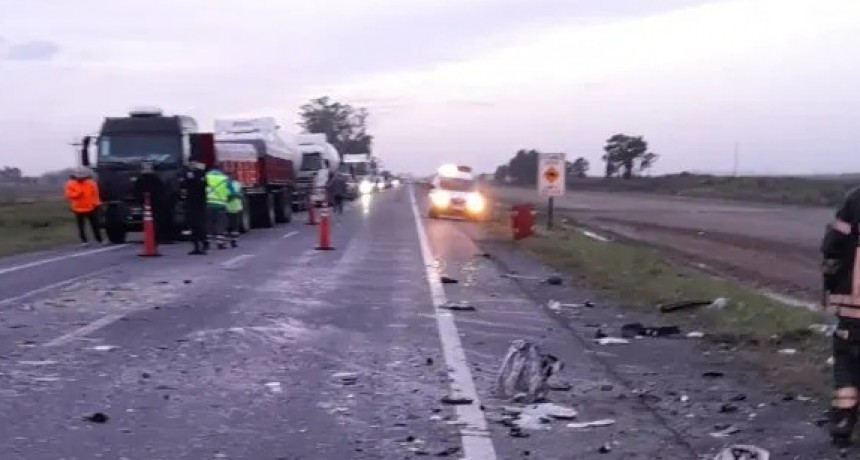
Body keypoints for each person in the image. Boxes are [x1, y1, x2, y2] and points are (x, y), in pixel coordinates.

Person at [821, 187, 860, 447]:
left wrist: (831, 284)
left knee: (846, 363)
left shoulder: (855, 199)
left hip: (852, 309)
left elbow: (832, 247)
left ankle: (843, 424)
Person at [133, 162, 173, 244]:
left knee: (154, 221)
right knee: (152, 221)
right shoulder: (147, 180)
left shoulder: (152, 180)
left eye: (148, 168)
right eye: (145, 169)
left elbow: (160, 192)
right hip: (151, 204)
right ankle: (153, 237)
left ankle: (155, 237)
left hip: (153, 204)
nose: (147, 170)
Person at [64, 168, 103, 245]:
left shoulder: (91, 183)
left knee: (95, 224)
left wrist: (97, 204)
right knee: (81, 226)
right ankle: (84, 241)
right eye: (78, 176)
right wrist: (78, 194)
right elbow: (68, 195)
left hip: (91, 207)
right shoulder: (70, 184)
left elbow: (95, 194)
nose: (80, 178)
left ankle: (99, 239)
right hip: (78, 208)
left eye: (82, 176)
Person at [181, 161, 208, 255]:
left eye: (193, 164)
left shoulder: (200, 175)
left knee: (198, 225)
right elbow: (183, 185)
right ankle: (198, 246)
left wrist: (190, 178)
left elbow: (200, 186)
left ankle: (202, 243)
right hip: (192, 203)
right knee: (194, 225)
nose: (191, 166)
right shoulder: (190, 174)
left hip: (198, 204)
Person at [205, 166, 231, 250]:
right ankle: (220, 243)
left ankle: (207, 243)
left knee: (208, 225)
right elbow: (230, 192)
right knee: (220, 224)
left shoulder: (205, 177)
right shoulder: (225, 179)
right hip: (221, 205)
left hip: (208, 204)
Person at [225, 172, 243, 248]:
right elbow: (240, 195)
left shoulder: (225, 184)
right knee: (234, 226)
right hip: (235, 207)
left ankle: (228, 242)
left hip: (228, 207)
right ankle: (233, 242)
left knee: (228, 226)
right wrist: (236, 195)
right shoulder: (237, 184)